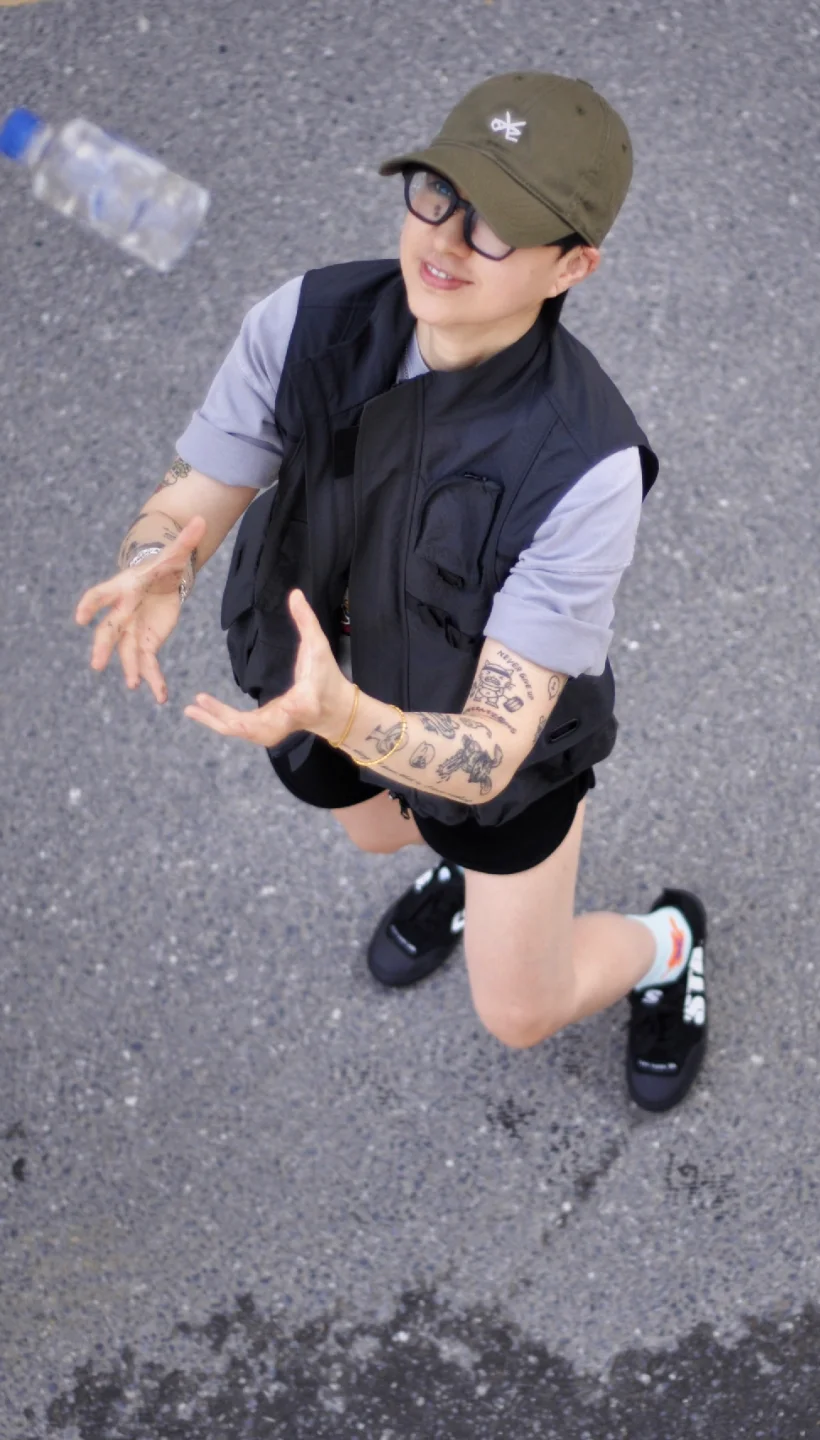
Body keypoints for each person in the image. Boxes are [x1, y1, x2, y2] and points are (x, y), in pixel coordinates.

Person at [74, 72, 708, 1112]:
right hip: (322, 678)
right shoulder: (304, 320)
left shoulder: (587, 466)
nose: (446, 240)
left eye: (499, 224)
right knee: (376, 829)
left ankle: (668, 944)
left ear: (573, 265)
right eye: (439, 191)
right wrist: (162, 557)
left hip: (485, 758)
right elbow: (196, 490)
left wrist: (351, 719)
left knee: (520, 1011)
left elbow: (490, 751)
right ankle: (462, 876)